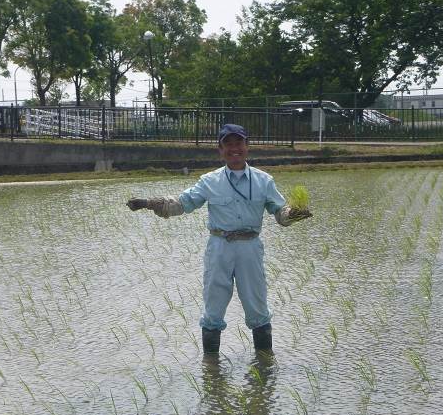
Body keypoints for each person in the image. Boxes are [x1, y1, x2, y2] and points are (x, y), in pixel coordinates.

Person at [127, 124, 312, 353]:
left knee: (257, 306)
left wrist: (294, 214)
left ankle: (264, 364)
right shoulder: (209, 181)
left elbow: (280, 213)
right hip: (219, 247)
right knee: (213, 307)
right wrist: (148, 203)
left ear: (247, 146)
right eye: (228, 144)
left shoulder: (264, 181)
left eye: (239, 143)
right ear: (220, 150)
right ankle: (211, 365)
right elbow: (183, 204)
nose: (234, 149)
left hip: (250, 247)